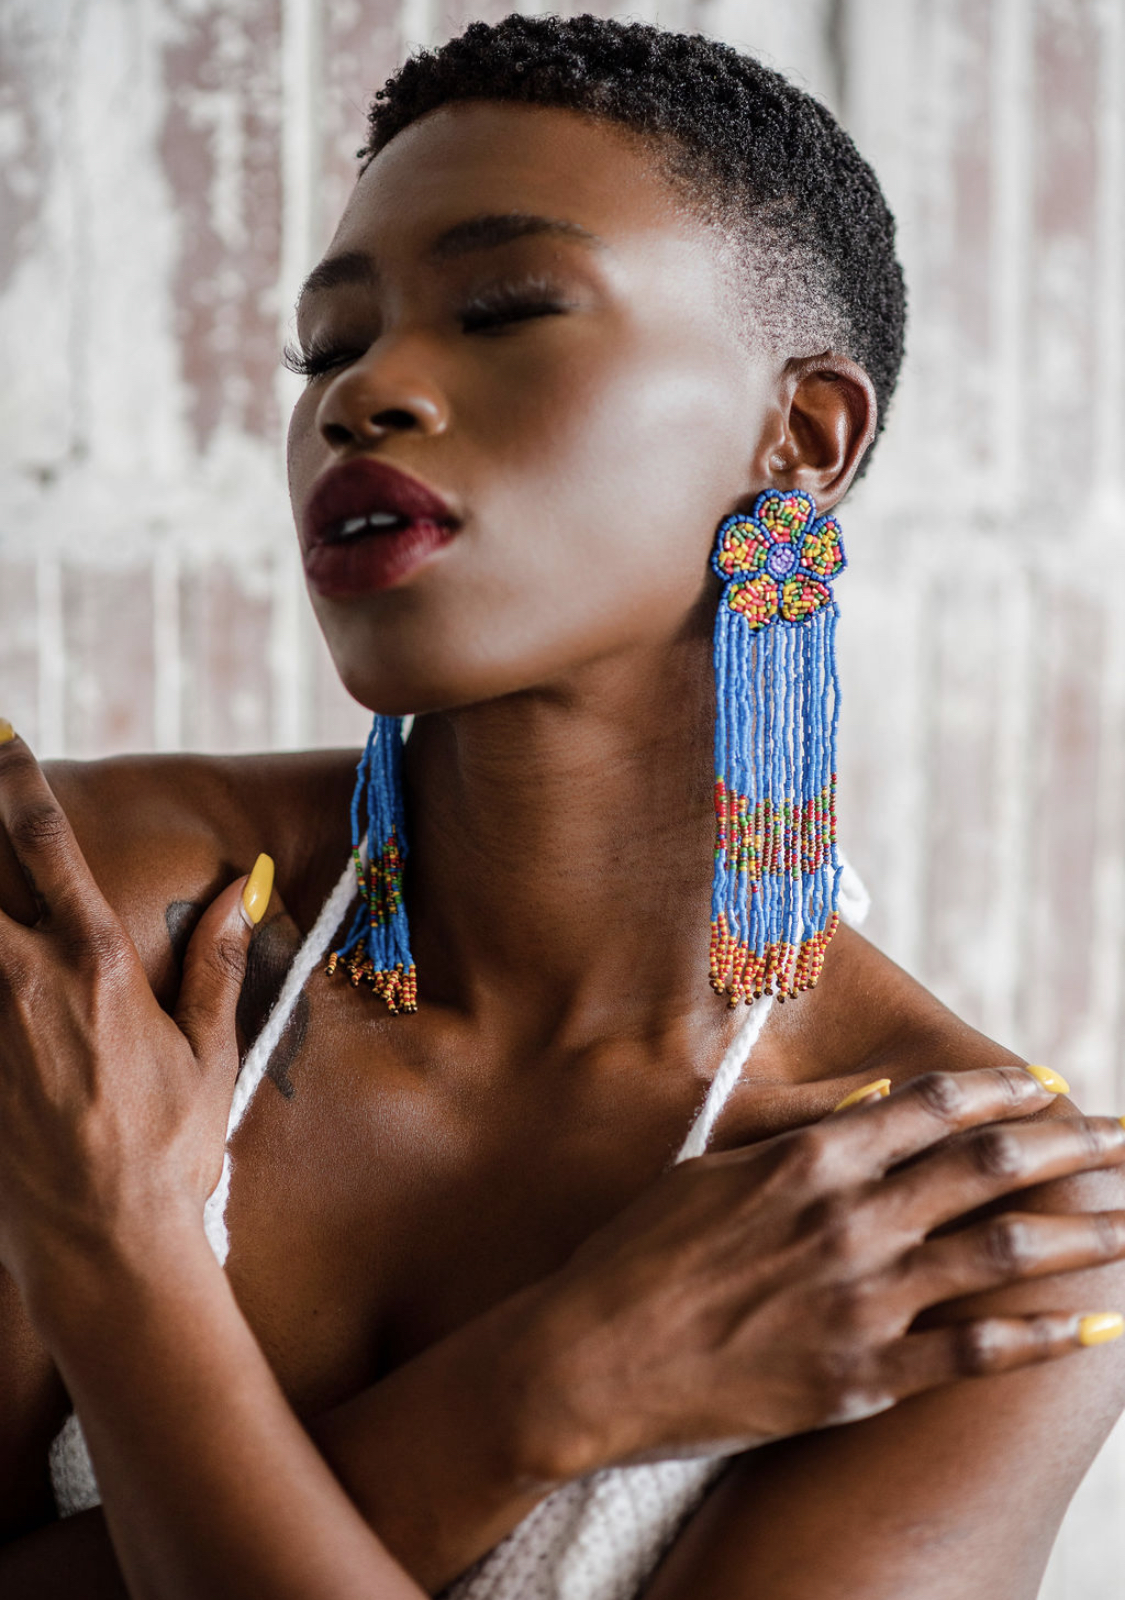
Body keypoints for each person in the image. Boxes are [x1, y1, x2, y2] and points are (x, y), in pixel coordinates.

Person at [2, 14, 1124, 1599]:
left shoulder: (952, 1227)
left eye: (504, 308)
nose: (365, 393)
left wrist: (118, 1248)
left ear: (801, 437)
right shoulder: (91, 916)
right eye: (327, 347)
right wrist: (544, 1394)